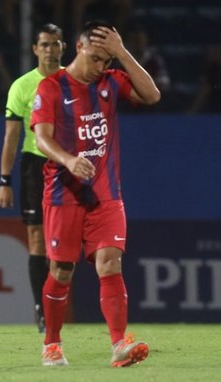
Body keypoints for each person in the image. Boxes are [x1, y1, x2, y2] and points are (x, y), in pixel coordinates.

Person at [30, 20, 160, 366]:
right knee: (61, 271)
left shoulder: (109, 83)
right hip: (63, 194)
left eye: (108, 60)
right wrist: (69, 160)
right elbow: (42, 138)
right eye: (98, 58)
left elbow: (152, 95)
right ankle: (52, 344)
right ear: (79, 47)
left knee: (110, 262)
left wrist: (122, 52)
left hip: (106, 194)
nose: (103, 67)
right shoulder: (51, 87)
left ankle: (119, 345)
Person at [0, 23, 66, 333]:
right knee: (37, 237)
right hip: (35, 166)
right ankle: (42, 308)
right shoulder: (22, 86)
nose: (50, 50)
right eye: (45, 44)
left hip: (70, 166)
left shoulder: (74, 81)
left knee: (64, 241)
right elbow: (11, 136)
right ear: (35, 49)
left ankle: (56, 301)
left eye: (55, 44)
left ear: (63, 47)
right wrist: (4, 179)